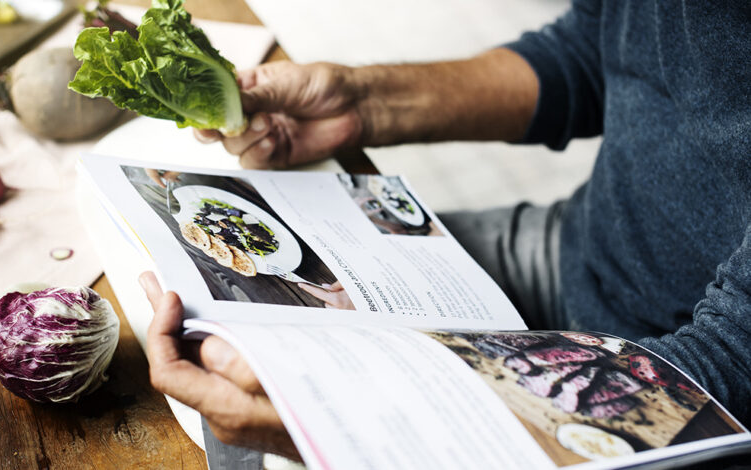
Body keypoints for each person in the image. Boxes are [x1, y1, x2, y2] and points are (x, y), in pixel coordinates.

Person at [142, 0, 750, 458]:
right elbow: (596, 52)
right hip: (582, 245)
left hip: (689, 384)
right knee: (233, 326)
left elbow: (728, 367)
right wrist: (360, 105)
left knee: (273, 410)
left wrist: (364, 422)